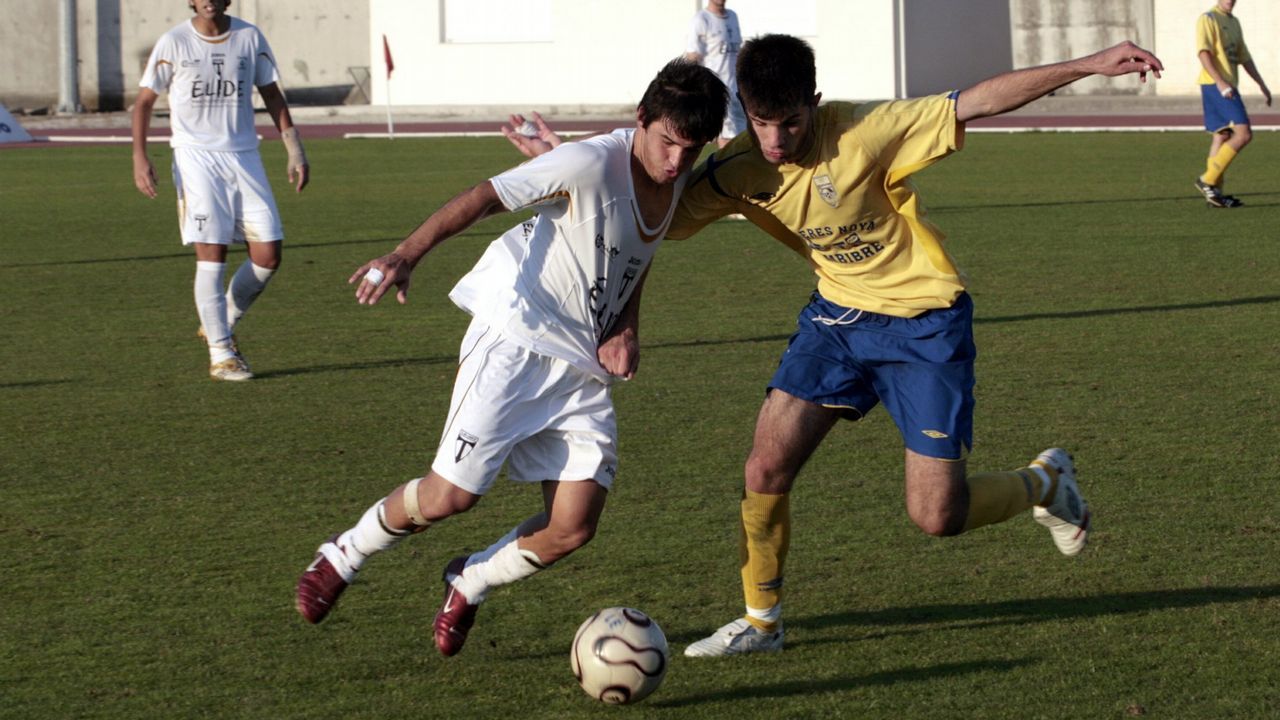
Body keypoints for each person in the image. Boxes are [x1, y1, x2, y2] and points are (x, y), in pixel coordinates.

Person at [507, 34, 1162, 658]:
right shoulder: (739, 169)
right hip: (837, 322)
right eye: (761, 123)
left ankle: (1045, 483)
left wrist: (1088, 64)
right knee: (765, 467)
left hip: (925, 325)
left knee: (938, 515)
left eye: (790, 123)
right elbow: (648, 211)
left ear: (814, 106)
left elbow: (978, 100)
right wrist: (574, 159)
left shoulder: (865, 130)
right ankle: (761, 622)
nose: (775, 141)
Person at [294, 58, 727, 657]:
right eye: (668, 142)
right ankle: (345, 552)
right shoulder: (588, 162)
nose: (677, 161)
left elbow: (635, 251)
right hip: (517, 337)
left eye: (692, 148)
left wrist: (627, 325)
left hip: (580, 364)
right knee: (451, 497)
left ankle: (469, 580)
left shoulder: (674, 173)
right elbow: (484, 197)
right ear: (641, 119)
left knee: (573, 526)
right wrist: (405, 255)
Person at [132, 0, 310, 381]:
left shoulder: (249, 37)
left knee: (268, 255)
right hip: (196, 159)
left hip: (244, 157)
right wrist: (140, 157)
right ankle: (221, 354)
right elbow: (144, 102)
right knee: (212, 255)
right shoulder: (175, 41)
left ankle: (220, 319)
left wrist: (295, 149)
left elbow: (271, 93)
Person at [1192, 0, 1270, 209]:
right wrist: (1220, 82)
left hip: (1224, 85)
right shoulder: (1208, 19)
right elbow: (1203, 53)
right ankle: (1207, 180)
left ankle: (1214, 194)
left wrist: (1261, 84)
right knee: (1243, 134)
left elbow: (1245, 58)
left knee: (1222, 135)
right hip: (1215, 84)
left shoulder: (1234, 22)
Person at [685, 0, 746, 149]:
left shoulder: (732, 16)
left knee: (743, 137)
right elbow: (693, 56)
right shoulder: (701, 19)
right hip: (718, 90)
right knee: (727, 139)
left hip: (736, 90)